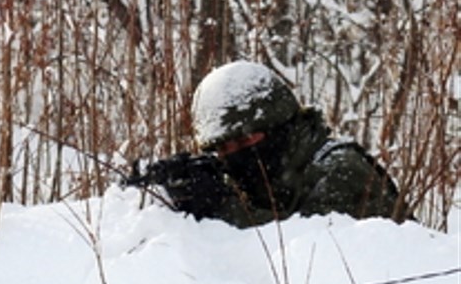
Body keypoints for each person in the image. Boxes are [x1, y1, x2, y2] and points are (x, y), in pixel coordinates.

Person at [127, 60, 406, 227]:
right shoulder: (269, 177)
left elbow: (310, 257)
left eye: (246, 139)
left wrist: (223, 208)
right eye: (223, 149)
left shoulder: (340, 170)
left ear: (280, 126)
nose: (235, 155)